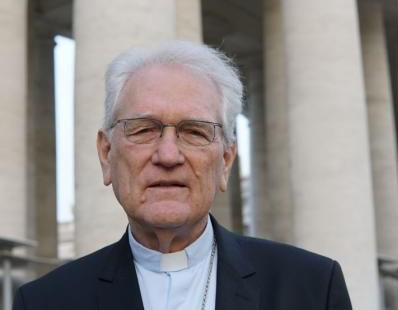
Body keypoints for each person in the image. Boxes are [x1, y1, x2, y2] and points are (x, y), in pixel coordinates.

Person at [13, 40, 353, 310]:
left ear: (225, 161)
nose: (168, 155)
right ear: (106, 155)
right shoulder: (45, 302)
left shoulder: (310, 288)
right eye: (144, 129)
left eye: (194, 131)